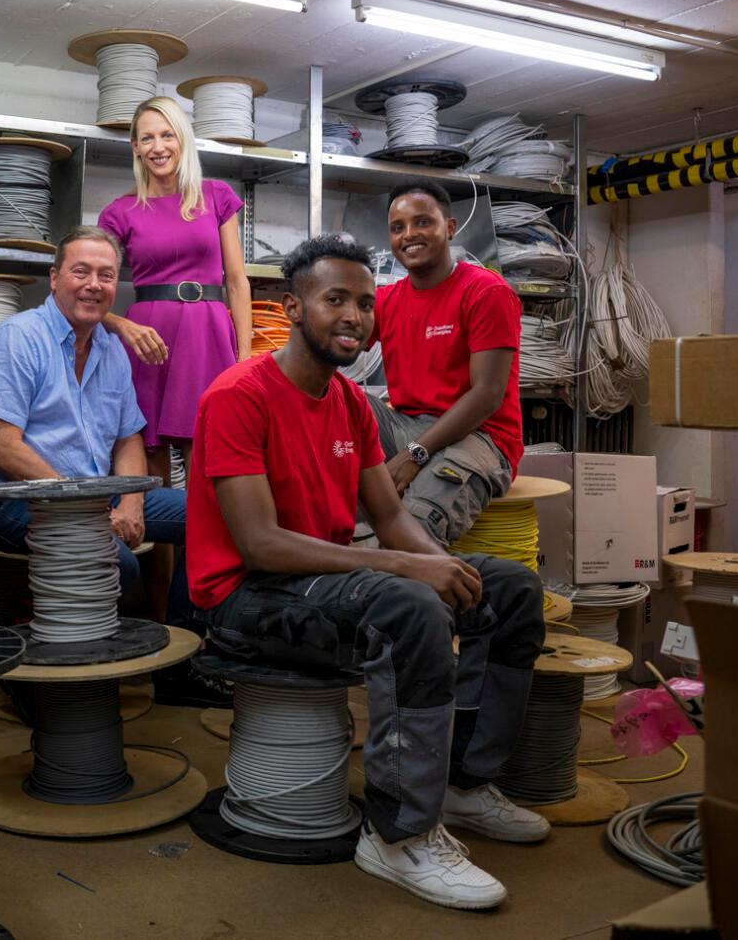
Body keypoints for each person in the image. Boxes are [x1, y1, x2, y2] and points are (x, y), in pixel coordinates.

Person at [188, 235, 546, 911]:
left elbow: (390, 517)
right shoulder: (238, 396)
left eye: (363, 302)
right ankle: (399, 834)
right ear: (292, 307)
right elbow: (261, 544)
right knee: (410, 605)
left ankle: (463, 784)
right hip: (246, 596)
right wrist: (408, 569)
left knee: (510, 588)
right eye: (335, 301)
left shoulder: (351, 403)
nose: (353, 315)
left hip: (319, 579)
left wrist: (441, 564)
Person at [0, 227, 220, 705]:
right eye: (80, 271)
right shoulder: (18, 338)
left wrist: (130, 500)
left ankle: (181, 667)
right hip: (22, 499)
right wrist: (84, 504)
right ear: (54, 278)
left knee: (212, 513)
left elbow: (128, 437)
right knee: (114, 567)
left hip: (95, 491)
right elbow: (3, 447)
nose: (93, 284)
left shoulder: (110, 350)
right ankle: (35, 666)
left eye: (106, 276)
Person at [97, 96, 253, 483]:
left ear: (182, 140)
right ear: (134, 146)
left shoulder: (216, 196)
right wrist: (120, 325)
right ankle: (163, 541)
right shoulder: (119, 212)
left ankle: (202, 544)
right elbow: (92, 287)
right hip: (147, 335)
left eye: (168, 135)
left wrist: (246, 355)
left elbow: (236, 280)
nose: (159, 146)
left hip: (208, 330)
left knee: (207, 451)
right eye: (147, 138)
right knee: (149, 457)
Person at [368, 179, 522, 545]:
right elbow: (330, 345)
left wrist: (416, 453)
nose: (409, 235)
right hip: (405, 424)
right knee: (339, 399)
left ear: (449, 228)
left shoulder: (486, 292)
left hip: (480, 436)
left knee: (411, 532)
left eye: (423, 222)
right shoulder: (386, 300)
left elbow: (487, 394)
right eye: (398, 227)